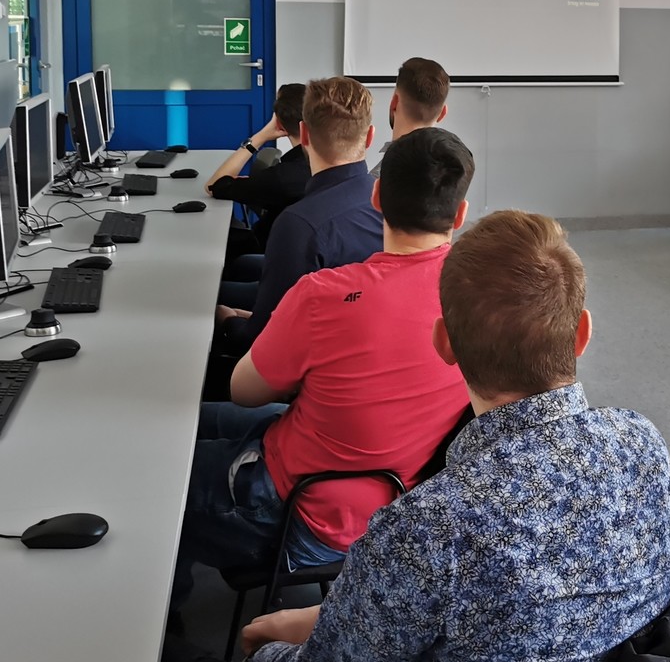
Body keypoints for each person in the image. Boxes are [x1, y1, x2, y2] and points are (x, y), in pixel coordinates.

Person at [236, 210, 670, 662]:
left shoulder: (428, 524)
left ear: (443, 343)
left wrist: (265, 655)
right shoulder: (642, 443)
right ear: (581, 333)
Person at [172, 127, 476, 609]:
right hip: (392, 511)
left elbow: (243, 390)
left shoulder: (325, 294)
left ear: (376, 197)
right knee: (191, 421)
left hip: (299, 513)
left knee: (157, 469)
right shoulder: (479, 300)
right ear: (459, 214)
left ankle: (168, 629)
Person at [215, 77, 383, 353]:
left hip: (304, 360)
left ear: (304, 135)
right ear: (370, 136)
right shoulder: (385, 199)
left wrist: (228, 320)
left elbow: (261, 340)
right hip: (351, 340)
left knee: (203, 302)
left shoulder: (299, 224)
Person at [205, 83, 311, 270]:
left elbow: (214, 186)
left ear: (279, 122)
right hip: (304, 261)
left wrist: (260, 137)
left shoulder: (283, 178)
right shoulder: (334, 170)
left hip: (270, 259)